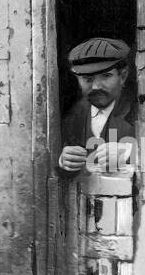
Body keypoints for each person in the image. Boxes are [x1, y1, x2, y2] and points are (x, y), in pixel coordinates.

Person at [57, 37, 137, 176]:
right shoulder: (74, 115)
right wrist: (63, 161)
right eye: (87, 79)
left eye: (106, 76)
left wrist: (130, 154)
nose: (95, 87)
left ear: (122, 76)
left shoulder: (141, 112)